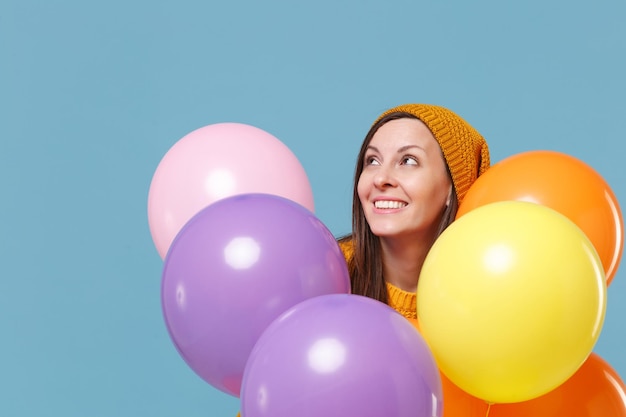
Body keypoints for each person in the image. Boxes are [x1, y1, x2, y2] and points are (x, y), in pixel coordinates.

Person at [338, 103, 490, 321]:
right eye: (372, 161)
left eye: (408, 161)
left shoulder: (489, 292)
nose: (381, 179)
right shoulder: (327, 273)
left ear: (453, 186)